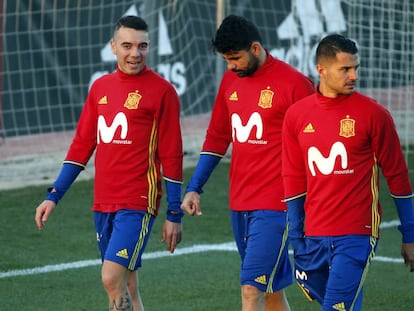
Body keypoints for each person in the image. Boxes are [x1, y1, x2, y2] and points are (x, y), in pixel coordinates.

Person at [35, 15, 184, 311]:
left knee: (110, 278)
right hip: (103, 202)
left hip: (138, 202)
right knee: (126, 284)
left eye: (142, 46)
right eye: (127, 45)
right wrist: (54, 195)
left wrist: (174, 214)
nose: (135, 53)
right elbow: (81, 147)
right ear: (113, 47)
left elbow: (172, 155)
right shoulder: (100, 88)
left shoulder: (162, 92)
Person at [181, 15, 315, 311]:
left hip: (277, 204)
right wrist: (195, 187)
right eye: (226, 60)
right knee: (271, 292)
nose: (230, 66)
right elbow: (217, 137)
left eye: (234, 58)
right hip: (240, 202)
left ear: (255, 48)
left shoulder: (295, 85)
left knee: (250, 290)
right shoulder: (231, 80)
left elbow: (318, 143)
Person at [282, 33, 414, 311]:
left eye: (356, 68)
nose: (354, 75)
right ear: (321, 70)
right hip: (314, 233)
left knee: (336, 307)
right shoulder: (296, 115)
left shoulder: (374, 115)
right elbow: (294, 179)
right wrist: (297, 237)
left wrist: (410, 234)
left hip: (358, 232)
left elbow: (398, 176)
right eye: (345, 69)